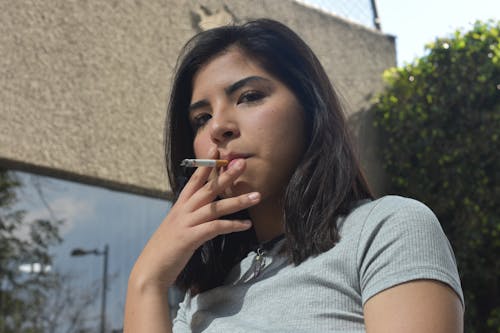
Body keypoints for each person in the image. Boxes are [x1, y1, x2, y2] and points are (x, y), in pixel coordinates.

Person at [124, 19, 464, 332]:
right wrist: (147, 280)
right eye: (201, 118)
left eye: (249, 96)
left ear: (309, 108)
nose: (218, 127)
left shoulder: (387, 229)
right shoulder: (198, 301)